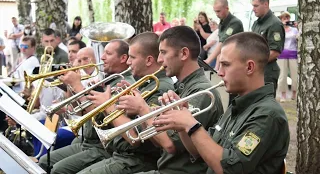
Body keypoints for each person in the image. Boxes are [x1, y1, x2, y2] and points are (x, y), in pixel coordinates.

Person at [153, 32, 290, 174]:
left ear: (249, 67)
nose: (219, 72)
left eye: (225, 65)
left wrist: (191, 125)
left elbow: (229, 169)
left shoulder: (267, 114)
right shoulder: (238, 105)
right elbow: (198, 152)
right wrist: (182, 125)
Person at [78, 32, 175, 174]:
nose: (128, 62)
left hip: (137, 159)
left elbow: (136, 138)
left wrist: (108, 105)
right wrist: (120, 101)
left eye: (132, 57)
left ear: (148, 60)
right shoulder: (145, 83)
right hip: (122, 155)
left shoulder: (161, 87)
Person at [135, 26, 224, 174]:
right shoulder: (181, 87)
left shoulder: (200, 92)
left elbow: (170, 144)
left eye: (163, 52)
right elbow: (158, 142)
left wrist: (143, 109)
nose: (159, 59)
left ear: (183, 53)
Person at [38, 40, 135, 174]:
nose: (102, 57)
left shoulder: (124, 83)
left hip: (103, 147)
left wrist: (77, 85)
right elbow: (81, 111)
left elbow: (97, 115)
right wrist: (71, 86)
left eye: (108, 53)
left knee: (57, 170)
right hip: (89, 142)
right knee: (44, 161)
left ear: (123, 58)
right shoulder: (109, 79)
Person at [251, 0, 285, 97]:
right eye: (252, 6)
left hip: (267, 71)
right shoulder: (256, 24)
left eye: (256, 6)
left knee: (265, 104)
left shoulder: (274, 24)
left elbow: (275, 52)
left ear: (265, 4)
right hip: (256, 70)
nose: (253, 9)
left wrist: (256, 63)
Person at [205, 0, 244, 70]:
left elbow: (223, 43)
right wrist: (217, 68)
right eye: (215, 11)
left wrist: (208, 60)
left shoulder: (235, 23)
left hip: (235, 62)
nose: (217, 14)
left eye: (219, 11)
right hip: (226, 60)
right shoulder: (222, 23)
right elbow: (221, 47)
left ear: (227, 8)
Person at [277, 11, 298, 102]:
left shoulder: (294, 29)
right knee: (282, 75)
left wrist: (298, 27)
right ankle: (283, 94)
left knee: (295, 75)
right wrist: (282, 27)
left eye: (287, 18)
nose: (286, 20)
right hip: (282, 55)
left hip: (293, 54)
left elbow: (299, 38)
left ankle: (294, 92)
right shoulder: (279, 30)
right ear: (281, 19)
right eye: (284, 18)